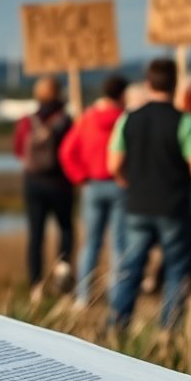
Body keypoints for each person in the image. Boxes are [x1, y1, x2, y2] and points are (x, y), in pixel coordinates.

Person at [108, 59, 191, 328]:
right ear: (175, 84)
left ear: (148, 83)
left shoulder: (128, 119)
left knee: (130, 268)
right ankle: (168, 330)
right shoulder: (186, 123)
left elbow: (113, 164)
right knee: (176, 271)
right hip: (176, 207)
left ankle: (117, 325)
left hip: (137, 205)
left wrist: (124, 181)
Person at [60, 74, 128, 306]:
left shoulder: (87, 119)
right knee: (118, 244)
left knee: (91, 243)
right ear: (122, 94)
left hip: (92, 186)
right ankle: (117, 295)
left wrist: (80, 177)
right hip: (120, 185)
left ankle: (83, 296)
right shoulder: (124, 120)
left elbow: (66, 151)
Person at [13, 76, 75, 295]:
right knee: (65, 228)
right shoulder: (66, 120)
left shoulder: (27, 122)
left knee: (36, 235)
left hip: (33, 182)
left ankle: (36, 286)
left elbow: (19, 150)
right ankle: (62, 268)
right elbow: (72, 151)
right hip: (60, 182)